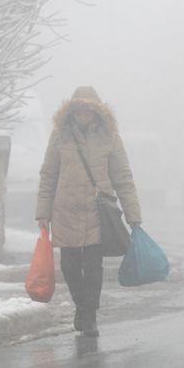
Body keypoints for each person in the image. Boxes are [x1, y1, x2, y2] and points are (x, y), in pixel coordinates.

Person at [35, 86, 142, 337]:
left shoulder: (109, 137)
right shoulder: (60, 136)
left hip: (98, 213)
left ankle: (90, 314)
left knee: (94, 268)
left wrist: (133, 215)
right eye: (80, 109)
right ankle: (81, 307)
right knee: (70, 266)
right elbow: (48, 175)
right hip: (66, 211)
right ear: (72, 110)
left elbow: (123, 177)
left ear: (96, 110)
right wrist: (43, 212)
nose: (84, 114)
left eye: (89, 109)